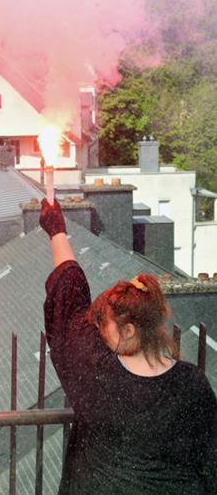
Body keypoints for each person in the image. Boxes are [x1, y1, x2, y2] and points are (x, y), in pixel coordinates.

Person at [38, 199, 216, 494]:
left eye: (104, 323)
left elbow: (68, 296)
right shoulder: (193, 384)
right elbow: (209, 463)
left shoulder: (97, 374)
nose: (97, 329)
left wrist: (57, 230)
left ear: (129, 330)